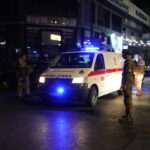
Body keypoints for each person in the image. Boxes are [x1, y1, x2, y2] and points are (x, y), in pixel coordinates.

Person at [119, 50, 135, 123]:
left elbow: (128, 74)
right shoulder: (128, 61)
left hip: (127, 83)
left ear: (126, 54)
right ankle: (128, 115)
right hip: (127, 82)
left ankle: (128, 117)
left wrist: (125, 84)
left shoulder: (129, 62)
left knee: (127, 100)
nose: (122, 55)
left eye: (123, 54)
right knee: (126, 99)